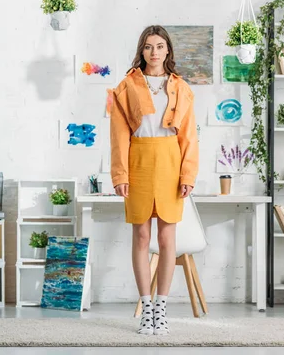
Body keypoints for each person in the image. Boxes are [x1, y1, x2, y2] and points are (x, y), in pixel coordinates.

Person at [110, 25, 199, 335]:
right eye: (148, 47)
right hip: (138, 162)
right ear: (142, 50)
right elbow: (119, 135)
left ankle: (161, 309)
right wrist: (120, 174)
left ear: (168, 51)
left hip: (170, 162)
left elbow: (189, 136)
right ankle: (145, 307)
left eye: (160, 46)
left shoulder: (182, 88)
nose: (154, 52)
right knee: (141, 237)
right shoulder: (127, 86)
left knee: (166, 239)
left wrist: (188, 174)